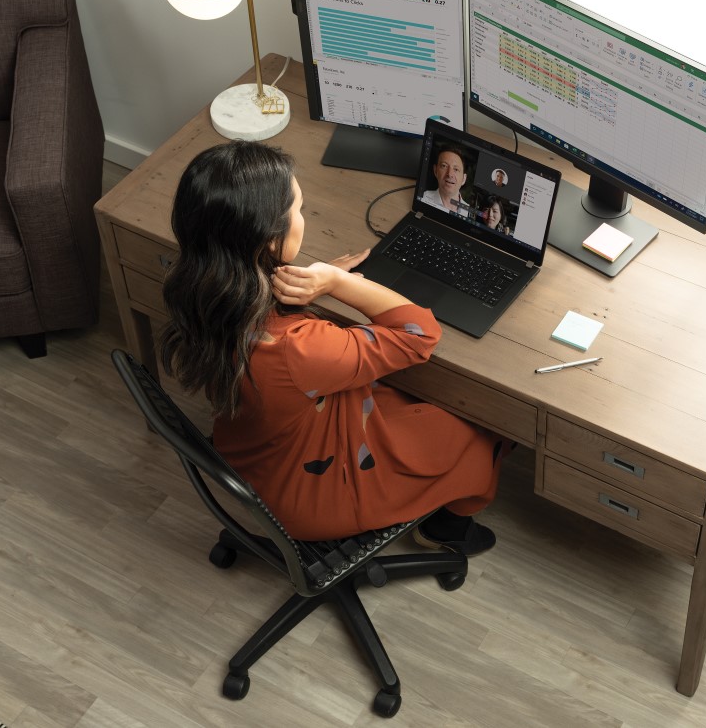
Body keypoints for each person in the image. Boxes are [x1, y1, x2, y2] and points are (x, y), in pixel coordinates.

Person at [159, 141, 503, 554]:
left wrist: (309, 283)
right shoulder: (296, 350)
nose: (302, 218)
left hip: (253, 453)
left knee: (414, 408)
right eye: (298, 210)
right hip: (309, 495)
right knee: (483, 430)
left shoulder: (199, 287)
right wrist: (342, 285)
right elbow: (420, 335)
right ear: (269, 241)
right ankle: (446, 529)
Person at [420, 145, 471, 216]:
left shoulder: (469, 212)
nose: (450, 174)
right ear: (435, 171)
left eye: (456, 169)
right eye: (444, 166)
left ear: (464, 179)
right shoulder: (423, 197)